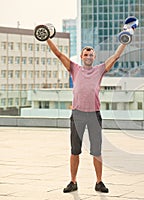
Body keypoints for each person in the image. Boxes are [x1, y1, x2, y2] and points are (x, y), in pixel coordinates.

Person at [46, 36, 128, 193]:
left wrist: (125, 41)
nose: (88, 57)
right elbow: (58, 53)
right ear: (82, 57)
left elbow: (116, 56)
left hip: (94, 115)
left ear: (94, 57)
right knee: (74, 150)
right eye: (86, 54)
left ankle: (99, 182)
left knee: (96, 151)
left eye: (91, 55)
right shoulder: (74, 69)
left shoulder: (100, 70)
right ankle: (73, 181)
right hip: (77, 114)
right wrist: (47, 38)